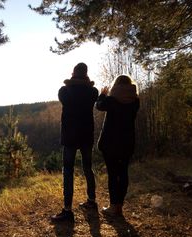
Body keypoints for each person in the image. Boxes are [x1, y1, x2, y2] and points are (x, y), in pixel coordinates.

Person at [51, 62, 98, 222]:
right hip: (86, 136)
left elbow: (67, 93)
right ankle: (91, 201)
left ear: (73, 73)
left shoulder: (64, 91)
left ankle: (67, 210)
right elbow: (93, 94)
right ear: (86, 74)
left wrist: (71, 82)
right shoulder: (93, 92)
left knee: (68, 172)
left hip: (70, 137)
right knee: (87, 169)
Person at [96, 75, 140, 216]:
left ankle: (113, 206)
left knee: (113, 174)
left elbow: (99, 106)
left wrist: (102, 95)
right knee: (123, 173)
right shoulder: (135, 101)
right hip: (127, 143)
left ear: (116, 85)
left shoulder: (111, 100)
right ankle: (119, 205)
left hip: (110, 143)